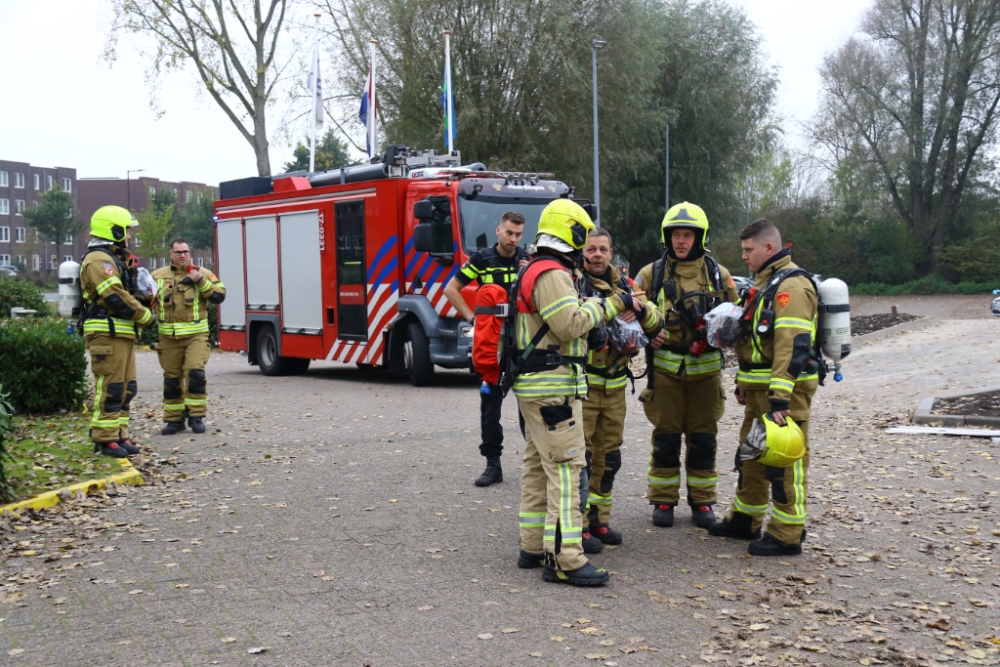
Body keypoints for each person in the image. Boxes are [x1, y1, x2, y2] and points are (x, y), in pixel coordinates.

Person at [512, 199, 641, 586]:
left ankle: (533, 547)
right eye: (584, 233)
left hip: (537, 385)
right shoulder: (551, 272)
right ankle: (565, 559)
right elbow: (569, 326)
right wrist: (607, 304)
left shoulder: (537, 268)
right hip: (553, 388)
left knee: (538, 467)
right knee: (567, 470)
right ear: (573, 230)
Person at [709, 219, 819, 556]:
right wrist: (744, 380)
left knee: (784, 461)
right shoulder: (765, 284)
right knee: (752, 454)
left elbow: (792, 344)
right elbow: (756, 341)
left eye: (748, 249)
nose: (743, 256)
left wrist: (780, 397)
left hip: (782, 395)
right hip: (760, 390)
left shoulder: (792, 287)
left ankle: (787, 534)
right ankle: (745, 518)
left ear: (769, 248)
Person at [634, 203, 738, 529]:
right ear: (668, 237)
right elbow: (628, 316)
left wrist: (716, 334)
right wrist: (646, 335)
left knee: (703, 439)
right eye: (676, 234)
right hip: (665, 374)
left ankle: (703, 502)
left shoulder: (719, 274)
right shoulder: (650, 275)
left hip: (706, 373)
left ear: (699, 237)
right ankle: (663, 499)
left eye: (687, 235)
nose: (681, 241)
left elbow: (735, 322)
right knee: (665, 438)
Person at [580, 229, 662, 546]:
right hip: (583, 388)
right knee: (582, 459)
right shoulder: (573, 283)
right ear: (583, 252)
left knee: (609, 458)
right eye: (591, 249)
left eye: (602, 249)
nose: (597, 254)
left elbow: (657, 319)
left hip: (614, 389)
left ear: (611, 253)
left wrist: (641, 309)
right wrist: (612, 306)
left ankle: (600, 520)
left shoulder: (627, 285)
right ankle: (581, 524)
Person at [442, 211, 529, 487]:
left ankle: (537, 465)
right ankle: (493, 465)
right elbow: (451, 289)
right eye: (509, 233)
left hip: (525, 345)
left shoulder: (527, 258)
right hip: (493, 345)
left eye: (517, 234)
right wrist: (472, 318)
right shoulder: (481, 259)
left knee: (531, 409)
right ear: (498, 231)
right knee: (490, 408)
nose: (513, 239)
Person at [79, 206, 155, 457]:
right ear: (113, 229)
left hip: (121, 333)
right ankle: (104, 438)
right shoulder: (98, 259)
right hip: (106, 333)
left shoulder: (113, 258)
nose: (130, 236)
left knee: (126, 388)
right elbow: (113, 295)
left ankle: (119, 435)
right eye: (127, 230)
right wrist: (144, 315)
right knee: (111, 388)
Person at [151, 238, 226, 436]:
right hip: (168, 337)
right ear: (171, 255)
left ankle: (196, 416)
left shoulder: (202, 274)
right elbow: (145, 299)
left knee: (195, 374)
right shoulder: (157, 276)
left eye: (186, 251)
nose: (183, 255)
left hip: (196, 335)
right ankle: (174, 420)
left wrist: (200, 282)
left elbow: (219, 296)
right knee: (172, 380)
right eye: (178, 252)